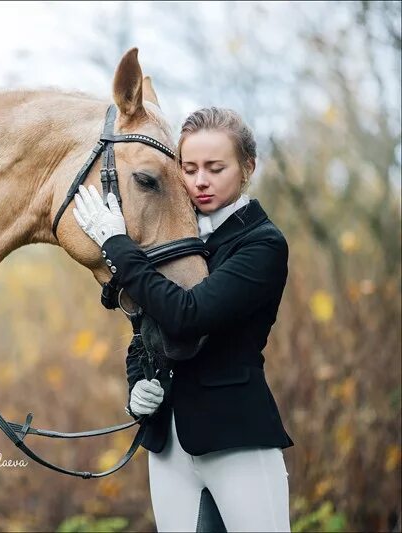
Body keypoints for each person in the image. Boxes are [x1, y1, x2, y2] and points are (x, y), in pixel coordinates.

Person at [72, 107, 293, 532]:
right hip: (168, 445)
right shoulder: (179, 238)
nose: (200, 181)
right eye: (189, 169)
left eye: (215, 168)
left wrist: (117, 245)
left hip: (236, 436)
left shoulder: (262, 244)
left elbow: (187, 316)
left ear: (248, 167)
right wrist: (137, 384)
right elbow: (147, 328)